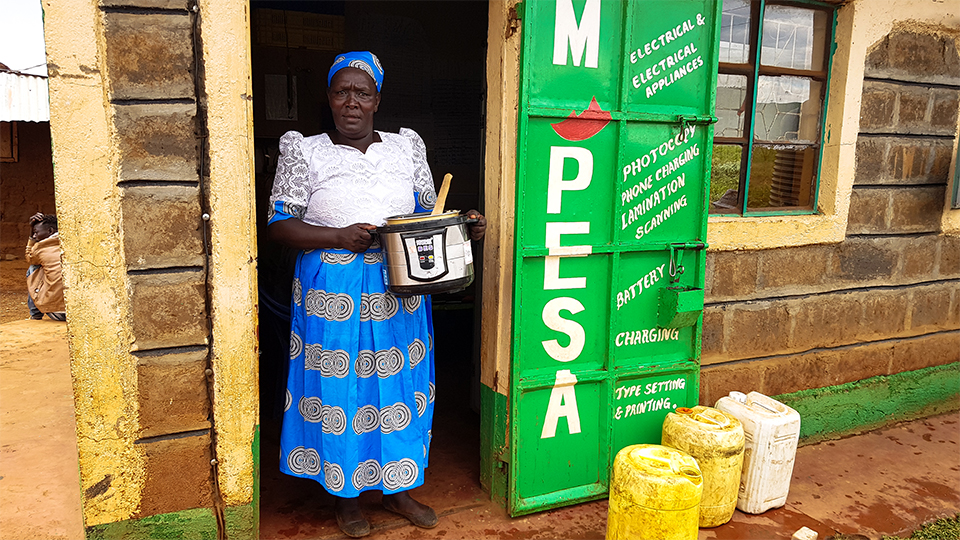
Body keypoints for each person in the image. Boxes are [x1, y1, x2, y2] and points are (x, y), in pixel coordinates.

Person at [267, 51, 486, 538]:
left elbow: (429, 215)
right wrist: (336, 236)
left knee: (399, 387)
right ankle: (343, 494)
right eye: (341, 91)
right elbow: (279, 225)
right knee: (340, 389)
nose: (351, 102)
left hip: (401, 287)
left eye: (361, 93)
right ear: (329, 98)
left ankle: (398, 486)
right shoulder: (305, 151)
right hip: (334, 290)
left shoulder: (406, 148)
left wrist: (464, 228)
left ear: (376, 101)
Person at [25, 213, 66, 321]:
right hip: (76, 312)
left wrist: (30, 234)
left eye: (36, 232)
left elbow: (29, 257)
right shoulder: (71, 241)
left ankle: (35, 314)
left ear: (50, 231)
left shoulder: (40, 247)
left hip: (56, 313)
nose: (34, 236)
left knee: (33, 268)